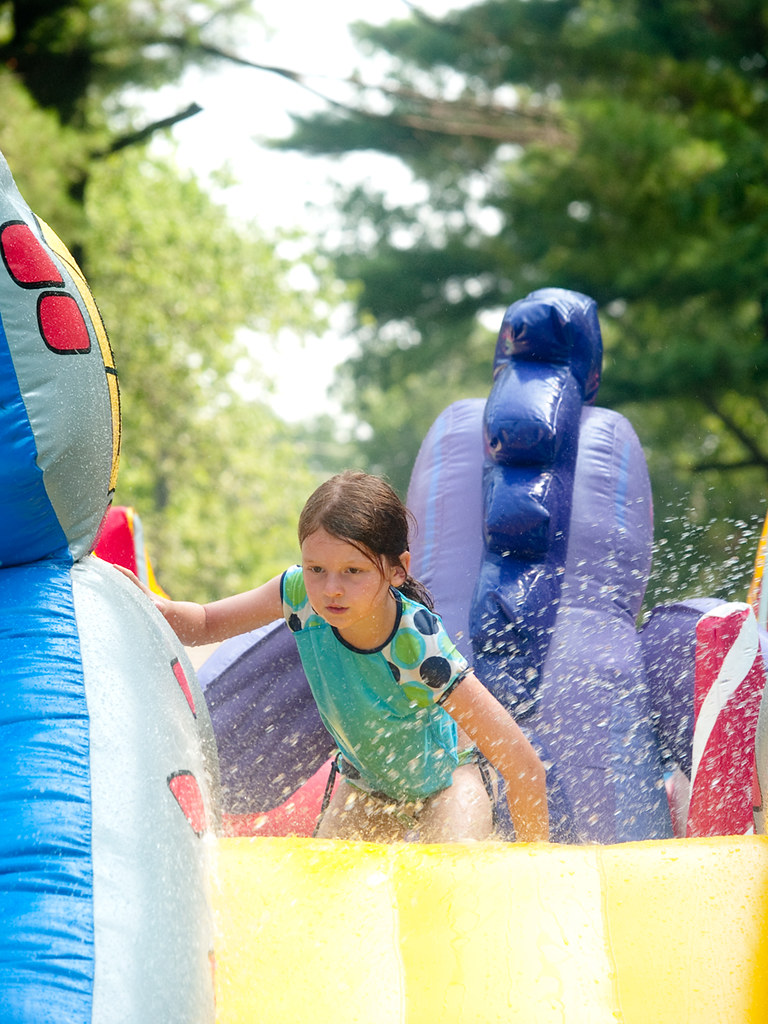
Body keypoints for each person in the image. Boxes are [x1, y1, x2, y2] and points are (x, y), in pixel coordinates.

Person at [118, 471, 549, 843]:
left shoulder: (417, 647)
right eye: (316, 568)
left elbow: (523, 765)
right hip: (370, 785)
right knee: (329, 901)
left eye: (353, 571)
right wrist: (153, 606)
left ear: (398, 569)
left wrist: (535, 871)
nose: (331, 589)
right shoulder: (298, 594)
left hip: (448, 782)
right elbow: (208, 623)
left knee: (450, 883)